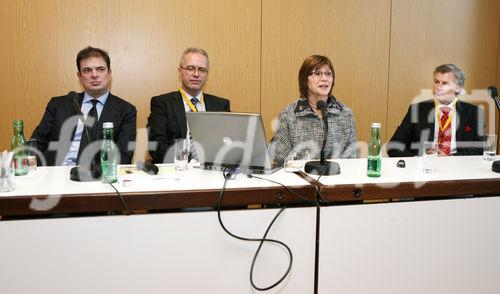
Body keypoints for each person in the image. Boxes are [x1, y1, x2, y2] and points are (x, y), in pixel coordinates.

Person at [31, 46, 137, 166]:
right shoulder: (58, 105)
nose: (94, 75)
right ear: (79, 76)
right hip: (57, 174)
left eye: (100, 69)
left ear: (109, 73)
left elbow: (123, 155)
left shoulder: (126, 110)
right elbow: (36, 143)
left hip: (99, 176)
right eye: (87, 70)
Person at [147, 47, 230, 163]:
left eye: (202, 70)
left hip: (210, 171)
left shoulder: (221, 105)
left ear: (207, 74)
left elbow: (228, 144)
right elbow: (156, 147)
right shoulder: (162, 104)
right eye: (191, 68)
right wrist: (188, 156)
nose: (196, 74)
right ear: (179, 72)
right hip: (176, 171)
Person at [273, 55, 358, 165]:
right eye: (317, 73)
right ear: (304, 79)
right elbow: (281, 159)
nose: (324, 78)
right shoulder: (288, 114)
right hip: (300, 179)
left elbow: (352, 158)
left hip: (336, 178)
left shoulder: (345, 114)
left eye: (328, 74)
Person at [387, 64, 485, 157]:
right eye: (436, 82)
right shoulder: (417, 110)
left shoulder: (474, 112)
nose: (438, 87)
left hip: (457, 167)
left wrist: (450, 158)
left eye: (445, 83)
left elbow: (480, 149)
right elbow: (394, 146)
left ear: (458, 88)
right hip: (423, 167)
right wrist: (417, 161)